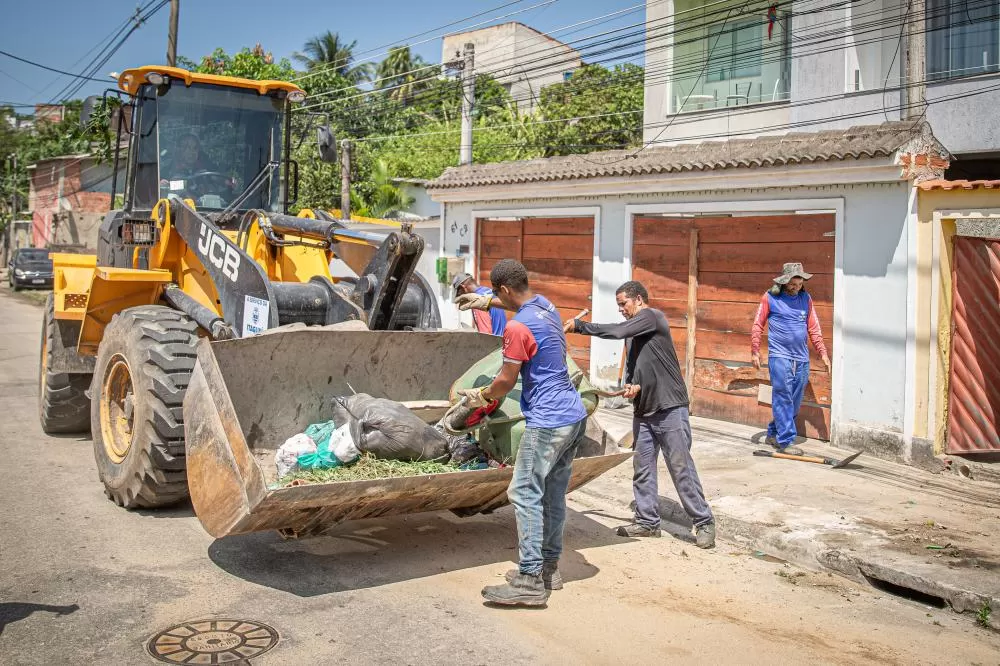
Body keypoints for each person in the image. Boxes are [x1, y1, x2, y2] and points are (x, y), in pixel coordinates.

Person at [455, 259, 588, 607]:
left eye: (495, 294)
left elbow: (505, 381)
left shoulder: (517, 329)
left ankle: (528, 579)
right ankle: (548, 570)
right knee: (552, 494)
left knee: (524, 491)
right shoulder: (547, 307)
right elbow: (518, 301)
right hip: (574, 416)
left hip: (547, 422)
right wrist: (485, 301)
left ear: (504, 289)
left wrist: (481, 397)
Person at [566, 280, 716, 548]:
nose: (621, 309)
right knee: (643, 467)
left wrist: (581, 327)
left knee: (680, 467)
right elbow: (639, 366)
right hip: (645, 409)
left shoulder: (651, 316)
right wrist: (633, 385)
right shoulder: (636, 334)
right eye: (619, 305)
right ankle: (647, 522)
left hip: (669, 407)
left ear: (638, 299)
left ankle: (704, 522)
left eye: (623, 303)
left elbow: (617, 331)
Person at [750, 262, 831, 457]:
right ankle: (785, 441)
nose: (796, 287)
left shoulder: (806, 299)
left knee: (794, 400)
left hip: (801, 358)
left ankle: (773, 432)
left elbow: (814, 328)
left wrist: (823, 353)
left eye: (799, 283)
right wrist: (755, 350)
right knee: (783, 397)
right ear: (784, 282)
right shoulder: (770, 297)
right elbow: (757, 324)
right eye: (792, 283)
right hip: (779, 357)